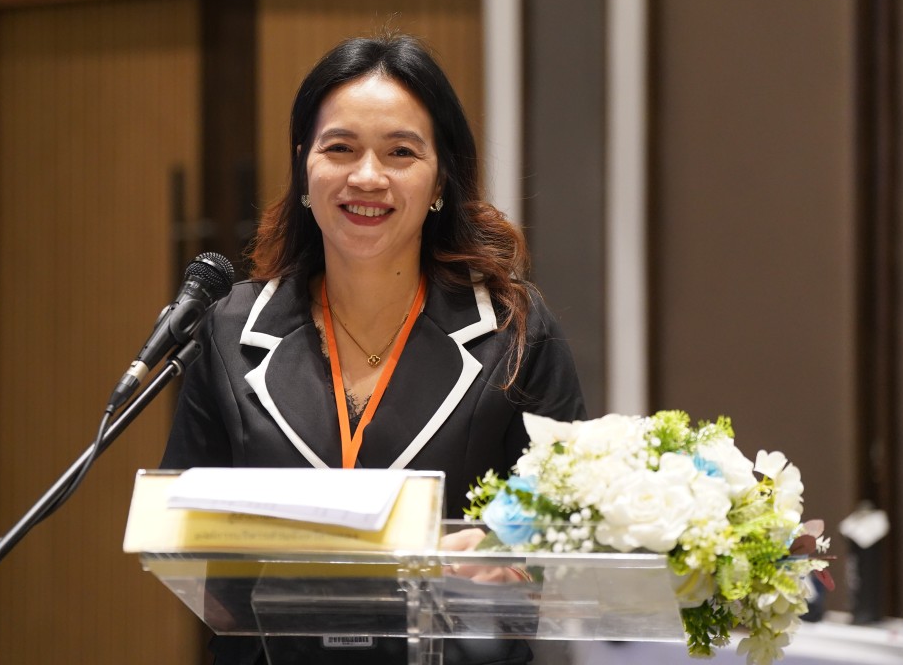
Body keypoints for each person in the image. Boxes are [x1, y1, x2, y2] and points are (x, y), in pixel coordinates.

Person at [160, 34, 587, 664]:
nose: (367, 176)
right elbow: (187, 535)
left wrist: (512, 567)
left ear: (440, 178)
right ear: (304, 167)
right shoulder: (228, 331)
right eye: (340, 148)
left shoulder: (514, 334)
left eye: (400, 152)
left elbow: (573, 538)